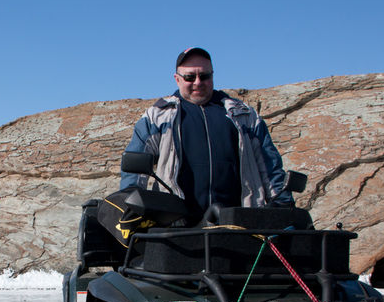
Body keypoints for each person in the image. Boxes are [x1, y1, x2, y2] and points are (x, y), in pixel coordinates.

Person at [121, 47, 293, 222]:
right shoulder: (157, 116)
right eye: (189, 77)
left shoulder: (245, 116)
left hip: (238, 225)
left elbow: (270, 167)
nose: (197, 82)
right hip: (177, 228)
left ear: (212, 75)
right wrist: (128, 203)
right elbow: (134, 168)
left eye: (204, 76)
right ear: (177, 79)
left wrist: (282, 204)